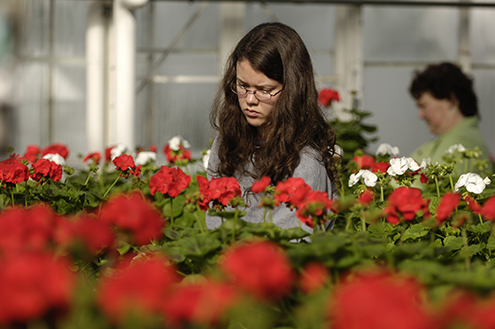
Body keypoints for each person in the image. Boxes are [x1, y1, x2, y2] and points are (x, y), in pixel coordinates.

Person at [206, 22, 340, 233]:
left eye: (264, 90)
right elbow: (215, 221)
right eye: (243, 86)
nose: (250, 99)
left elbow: (294, 241)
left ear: (292, 90)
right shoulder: (227, 140)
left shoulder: (306, 160)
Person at [409, 62, 493, 175]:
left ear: (450, 100)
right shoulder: (451, 138)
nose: (420, 115)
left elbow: (433, 185)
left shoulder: (461, 144)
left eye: (424, 106)